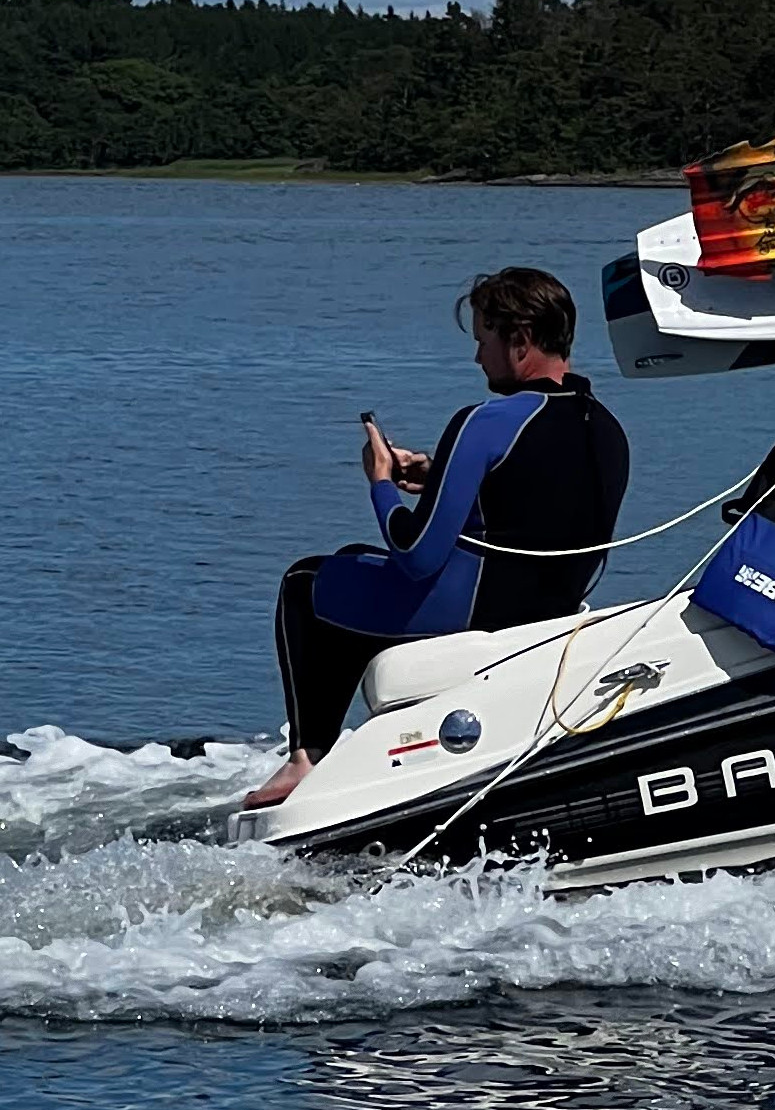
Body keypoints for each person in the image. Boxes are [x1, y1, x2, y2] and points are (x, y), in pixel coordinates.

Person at [244, 266, 630, 810]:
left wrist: (381, 484)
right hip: (552, 606)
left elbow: (416, 555)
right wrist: (438, 475)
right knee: (355, 562)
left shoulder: (486, 421)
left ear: (519, 342)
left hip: (475, 608)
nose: (478, 359)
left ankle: (307, 758)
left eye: (484, 342)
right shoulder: (606, 427)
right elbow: (535, 503)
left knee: (307, 583)